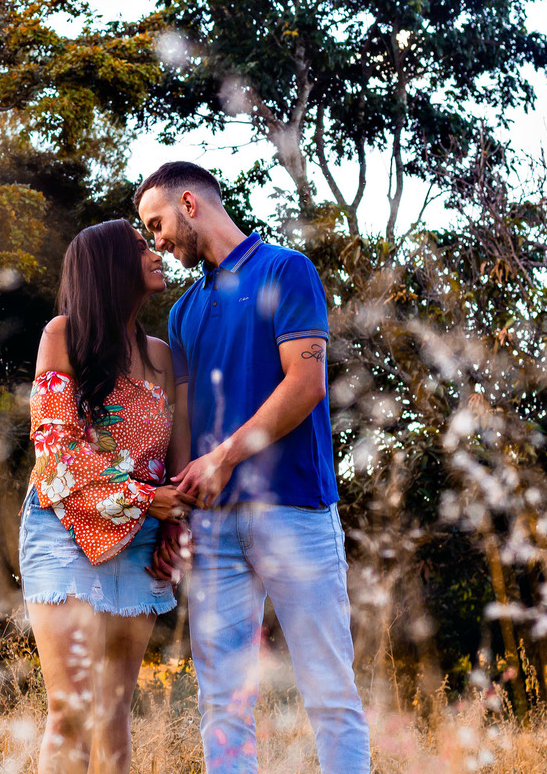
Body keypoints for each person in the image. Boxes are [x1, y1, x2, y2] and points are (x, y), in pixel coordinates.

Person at [135, 162, 371, 773]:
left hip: (295, 511)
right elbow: (183, 426)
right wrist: (175, 516)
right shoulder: (183, 313)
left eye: (156, 223)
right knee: (223, 704)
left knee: (329, 692)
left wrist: (225, 457)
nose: (154, 240)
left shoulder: (287, 271)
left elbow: (306, 383)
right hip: (212, 531)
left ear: (190, 203)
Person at [21, 218, 197, 774]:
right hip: (63, 527)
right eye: (141, 246)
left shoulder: (165, 357)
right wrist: (152, 501)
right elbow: (54, 455)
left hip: (142, 542)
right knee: (70, 709)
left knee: (114, 709)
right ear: (109, 266)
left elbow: (180, 468)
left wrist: (173, 530)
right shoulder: (63, 336)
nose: (155, 251)